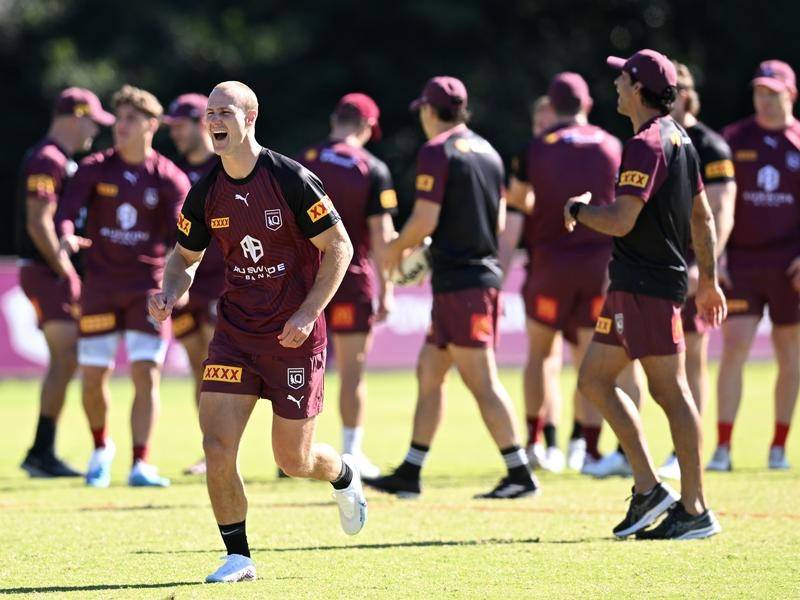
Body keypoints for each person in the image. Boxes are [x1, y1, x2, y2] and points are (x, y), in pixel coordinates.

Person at [149, 81, 364, 584]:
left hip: (293, 335)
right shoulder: (205, 192)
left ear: (250, 117)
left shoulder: (291, 179)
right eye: (209, 114)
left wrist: (308, 313)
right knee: (216, 444)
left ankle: (343, 474)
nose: (213, 121)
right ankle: (238, 556)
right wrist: (170, 291)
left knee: (293, 460)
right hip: (236, 335)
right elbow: (184, 257)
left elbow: (339, 247)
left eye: (223, 112)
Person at [567, 49, 726, 539]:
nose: (615, 83)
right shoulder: (679, 137)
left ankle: (695, 508)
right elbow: (704, 219)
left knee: (670, 393)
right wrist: (709, 281)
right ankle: (648, 489)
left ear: (637, 87)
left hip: (647, 286)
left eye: (621, 77)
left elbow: (621, 220)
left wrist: (577, 210)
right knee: (594, 379)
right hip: (635, 284)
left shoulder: (646, 143)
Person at [366, 76, 538, 499]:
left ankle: (520, 473)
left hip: (464, 284)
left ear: (429, 111)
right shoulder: (489, 151)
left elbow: (425, 218)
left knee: (481, 380)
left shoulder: (436, 151)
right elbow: (497, 223)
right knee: (430, 371)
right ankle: (411, 471)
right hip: (466, 280)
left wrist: (394, 250)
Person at [506, 75, 642, 476]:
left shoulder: (535, 147)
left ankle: (534, 443)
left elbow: (518, 199)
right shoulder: (611, 143)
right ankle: (591, 448)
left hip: (550, 263)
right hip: (600, 264)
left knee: (539, 354)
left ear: (553, 105)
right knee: (591, 359)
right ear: (587, 103)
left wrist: (542, 202)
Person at [56, 85, 190, 488]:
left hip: (146, 290)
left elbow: (187, 238)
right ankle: (101, 450)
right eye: (118, 118)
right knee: (94, 376)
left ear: (152, 125)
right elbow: (66, 214)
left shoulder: (169, 177)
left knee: (146, 373)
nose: (121, 126)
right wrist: (65, 236)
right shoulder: (95, 168)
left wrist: (178, 283)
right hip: (99, 286)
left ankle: (141, 463)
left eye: (131, 119)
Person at [297, 93, 397, 478]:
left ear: (334, 119)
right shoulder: (372, 167)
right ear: (367, 127)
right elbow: (382, 237)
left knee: (299, 370)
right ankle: (352, 451)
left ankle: (294, 450)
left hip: (304, 283)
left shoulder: (301, 161)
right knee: (352, 373)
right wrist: (387, 291)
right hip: (352, 280)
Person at [17, 88, 114, 477]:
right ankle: (41, 451)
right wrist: (66, 270)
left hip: (49, 270)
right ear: (76, 116)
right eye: (93, 121)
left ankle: (41, 450)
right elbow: (38, 222)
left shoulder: (59, 159)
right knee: (66, 356)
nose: (95, 130)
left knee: (67, 357)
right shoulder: (48, 158)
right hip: (45, 272)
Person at [710, 60, 800, 471]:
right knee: (734, 349)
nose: (764, 100)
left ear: (790, 95)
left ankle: (778, 447)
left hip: (790, 266)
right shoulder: (735, 138)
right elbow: (717, 203)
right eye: (759, 92)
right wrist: (717, 256)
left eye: (772, 93)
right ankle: (723, 448)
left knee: (790, 355)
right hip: (743, 263)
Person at [657, 62, 736, 479]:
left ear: (686, 95)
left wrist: (703, 270)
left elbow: (721, 215)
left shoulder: (712, 146)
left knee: (691, 361)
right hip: (656, 266)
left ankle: (685, 450)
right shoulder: (657, 140)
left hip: (689, 268)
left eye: (676, 89)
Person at [164, 93, 224, 476]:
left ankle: (282, 449)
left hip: (227, 282)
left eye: (179, 126)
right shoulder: (173, 173)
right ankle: (211, 450)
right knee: (198, 367)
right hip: (188, 283)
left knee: (239, 367)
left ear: (201, 122)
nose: (174, 134)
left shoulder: (228, 167)